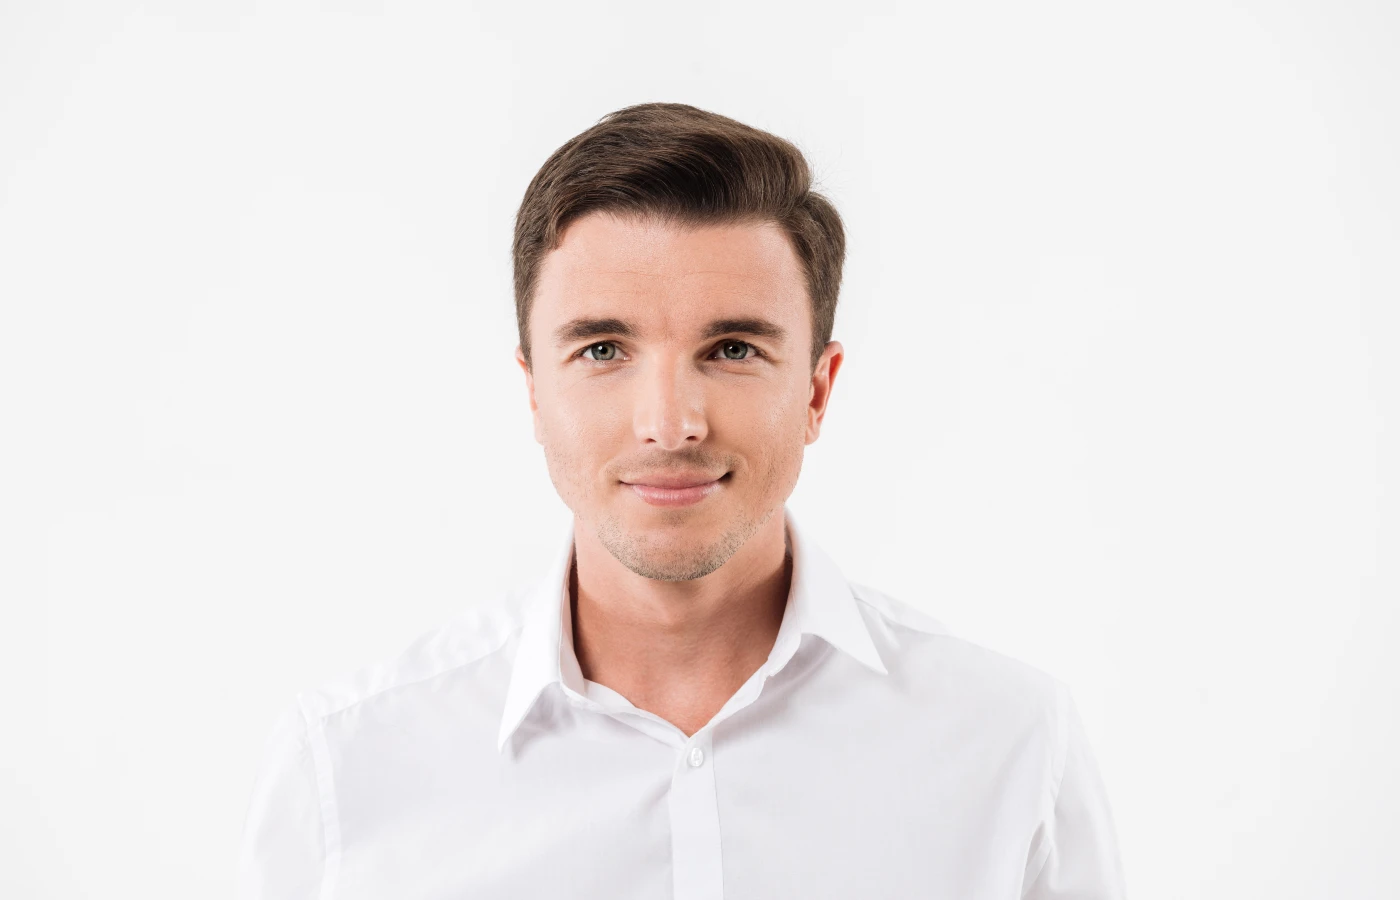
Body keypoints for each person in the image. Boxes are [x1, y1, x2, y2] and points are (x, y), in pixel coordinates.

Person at [236, 102, 1128, 899]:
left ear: (817, 392)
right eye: (602, 350)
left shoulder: (1009, 748)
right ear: (534, 391)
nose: (669, 424)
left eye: (733, 349)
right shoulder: (348, 769)